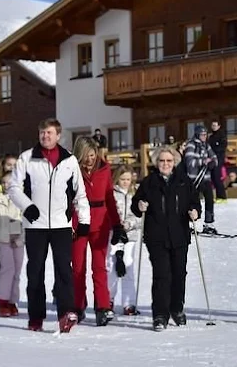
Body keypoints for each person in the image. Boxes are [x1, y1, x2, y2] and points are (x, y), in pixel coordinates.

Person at [8, 118, 90, 333]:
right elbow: (14, 188)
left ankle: (66, 314)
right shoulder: (27, 158)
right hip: (36, 225)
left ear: (58, 135)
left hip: (61, 225)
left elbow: (79, 193)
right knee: (35, 272)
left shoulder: (69, 160)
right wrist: (28, 207)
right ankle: (36, 317)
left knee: (64, 270)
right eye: (42, 132)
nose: (46, 136)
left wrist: (84, 221)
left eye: (50, 133)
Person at [131, 146, 201, 331]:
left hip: (179, 235)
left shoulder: (183, 181)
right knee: (162, 275)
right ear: (156, 163)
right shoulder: (149, 182)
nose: (165, 164)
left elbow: (194, 201)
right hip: (156, 236)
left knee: (179, 274)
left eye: (169, 161)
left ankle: (176, 309)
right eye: (162, 161)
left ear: (175, 162)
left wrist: (195, 211)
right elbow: (135, 205)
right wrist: (139, 205)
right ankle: (160, 314)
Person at [71, 137, 124, 326]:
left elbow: (110, 197)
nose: (89, 160)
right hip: (79, 221)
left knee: (99, 267)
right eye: (85, 156)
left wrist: (117, 224)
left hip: (100, 222)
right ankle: (78, 305)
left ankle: (102, 306)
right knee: (77, 267)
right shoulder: (72, 170)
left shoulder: (104, 169)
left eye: (92, 155)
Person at [0, 171, 24, 318]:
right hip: (3, 239)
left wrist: (22, 238)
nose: (6, 185)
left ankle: (13, 301)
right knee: (7, 268)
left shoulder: (21, 200)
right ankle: (3, 301)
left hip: (18, 239)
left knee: (17, 271)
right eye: (4, 182)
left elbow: (26, 221)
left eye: (9, 182)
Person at [109, 164, 141, 316]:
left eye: (128, 179)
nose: (126, 182)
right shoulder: (111, 194)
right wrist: (115, 224)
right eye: (122, 179)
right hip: (114, 234)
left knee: (128, 264)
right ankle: (108, 299)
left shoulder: (135, 194)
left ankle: (129, 303)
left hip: (130, 235)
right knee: (112, 266)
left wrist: (128, 224)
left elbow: (139, 216)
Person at [184, 125, 218, 234]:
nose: (204, 136)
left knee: (209, 200)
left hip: (206, 178)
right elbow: (189, 163)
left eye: (205, 134)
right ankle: (189, 224)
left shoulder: (206, 146)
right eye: (202, 134)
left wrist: (212, 163)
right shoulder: (191, 145)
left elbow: (214, 158)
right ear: (198, 134)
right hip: (194, 179)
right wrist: (203, 161)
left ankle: (209, 224)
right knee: (193, 201)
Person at [208, 120, 228, 200]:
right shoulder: (211, 137)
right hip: (212, 158)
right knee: (213, 177)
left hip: (219, 158)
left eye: (215, 125)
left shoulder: (221, 135)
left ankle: (222, 196)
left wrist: (215, 151)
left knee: (216, 176)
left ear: (219, 126)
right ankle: (217, 196)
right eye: (212, 125)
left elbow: (223, 146)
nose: (213, 127)